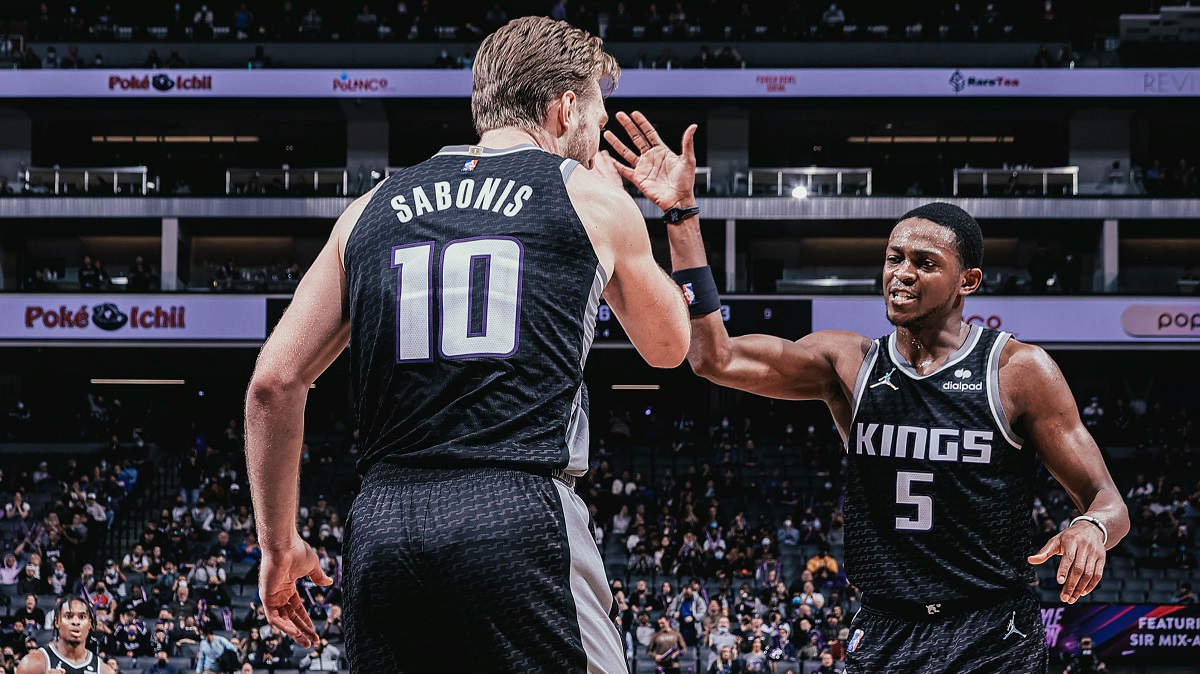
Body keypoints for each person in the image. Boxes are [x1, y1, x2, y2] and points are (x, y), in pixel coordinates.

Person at [244, 15, 690, 674]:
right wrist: (660, 212)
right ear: (564, 106)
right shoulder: (588, 197)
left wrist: (278, 546)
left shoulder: (367, 208)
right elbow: (669, 347)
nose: (599, 131)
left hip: (384, 522)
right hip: (515, 507)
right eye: (598, 112)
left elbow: (273, 384)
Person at [605, 115, 1129, 674]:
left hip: (991, 629)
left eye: (925, 264)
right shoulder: (848, 362)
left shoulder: (1017, 370)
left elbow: (1108, 500)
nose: (902, 273)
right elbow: (714, 357)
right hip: (882, 625)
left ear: (967, 282)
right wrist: (682, 216)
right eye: (894, 258)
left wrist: (1089, 528)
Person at [15, 597, 116, 674]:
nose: (76, 622)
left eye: (82, 617)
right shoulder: (33, 663)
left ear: (89, 624)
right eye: (68, 616)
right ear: (57, 622)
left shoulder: (104, 671)